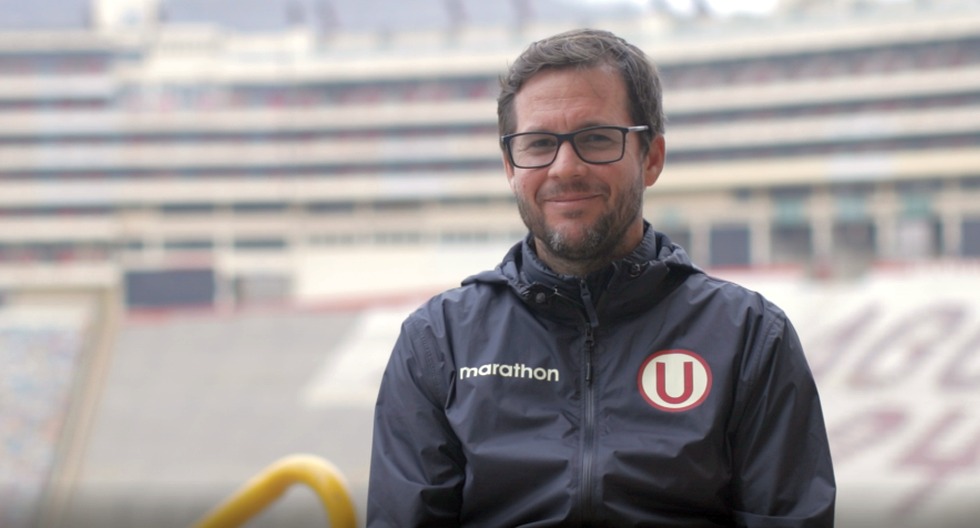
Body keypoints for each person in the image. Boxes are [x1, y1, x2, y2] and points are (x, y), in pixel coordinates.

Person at [367, 28, 836, 527]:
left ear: (651, 157)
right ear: (510, 165)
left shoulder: (750, 337)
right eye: (538, 144)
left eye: (595, 139)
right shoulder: (438, 343)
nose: (564, 168)